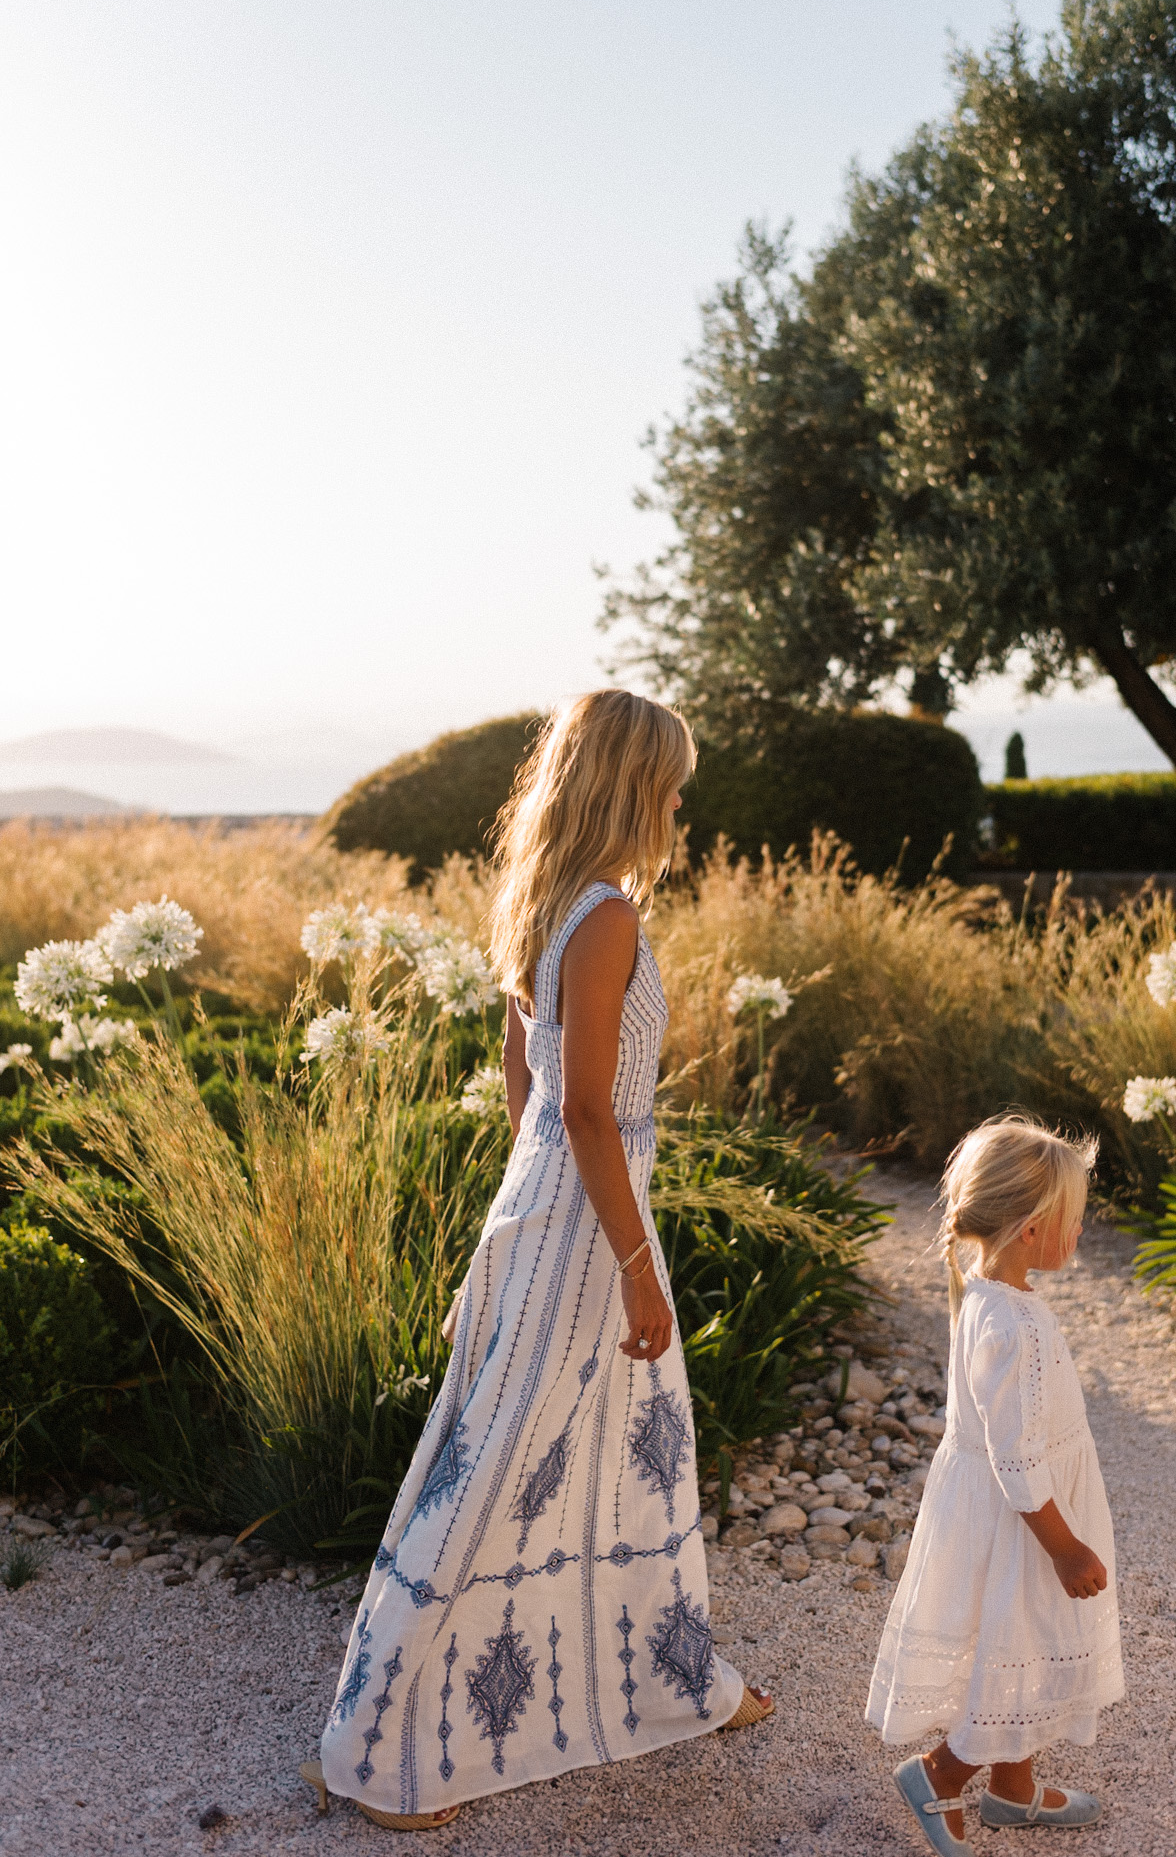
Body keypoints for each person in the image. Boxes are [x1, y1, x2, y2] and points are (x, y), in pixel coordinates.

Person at [302, 690, 769, 1832]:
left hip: (545, 1205)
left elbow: (525, 1087)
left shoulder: (543, 902)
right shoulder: (605, 915)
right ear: (632, 783)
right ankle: (375, 1752)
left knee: (613, 1457)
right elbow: (591, 1113)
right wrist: (634, 1262)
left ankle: (674, 1680)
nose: (678, 800)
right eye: (670, 780)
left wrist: (535, 1210)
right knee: (510, 1464)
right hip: (591, 1220)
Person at [865, 1118, 1123, 1856]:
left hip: (1005, 1512)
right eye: (1074, 1221)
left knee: (1024, 1648)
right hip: (1029, 1523)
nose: (1081, 1232)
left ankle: (1013, 1790)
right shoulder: (1017, 1326)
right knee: (1030, 1641)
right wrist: (1067, 1548)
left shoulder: (988, 1296)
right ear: (1033, 1229)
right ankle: (940, 1774)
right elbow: (1016, 1458)